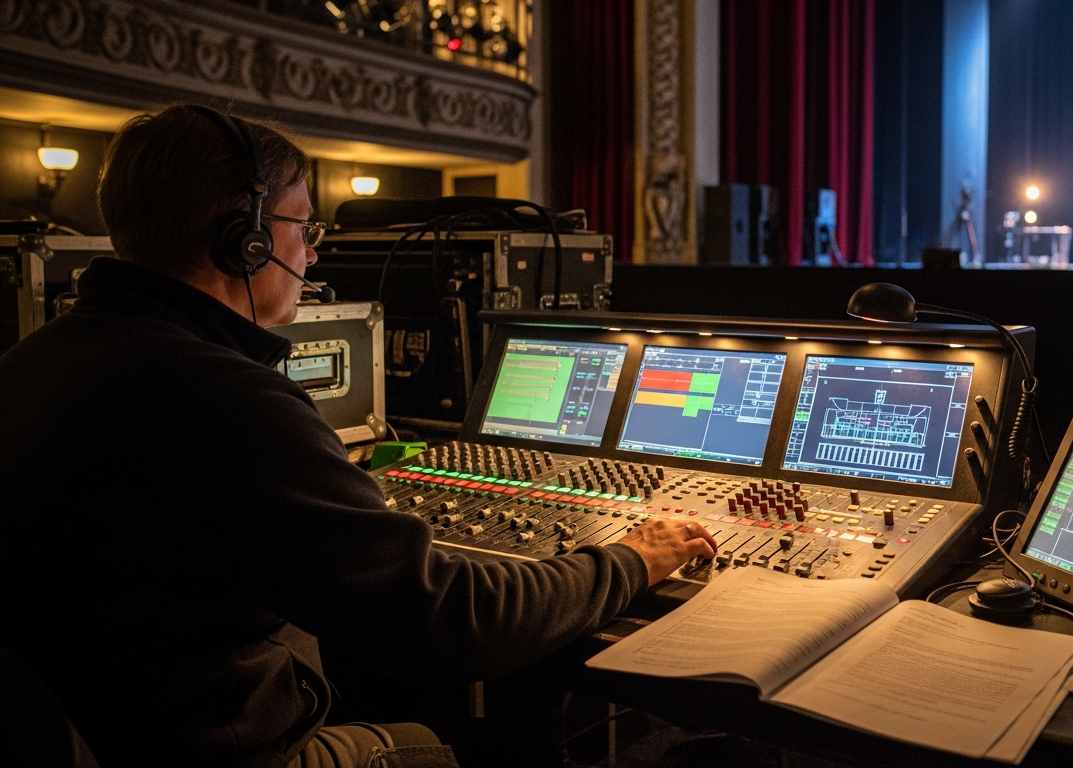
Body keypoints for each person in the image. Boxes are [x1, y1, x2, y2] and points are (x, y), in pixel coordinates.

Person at [0, 105, 716, 768]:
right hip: (221, 751)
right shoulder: (227, 399)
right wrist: (632, 557)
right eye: (304, 229)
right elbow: (452, 621)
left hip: (96, 727)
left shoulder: (33, 359)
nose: (313, 255)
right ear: (246, 241)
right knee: (452, 743)